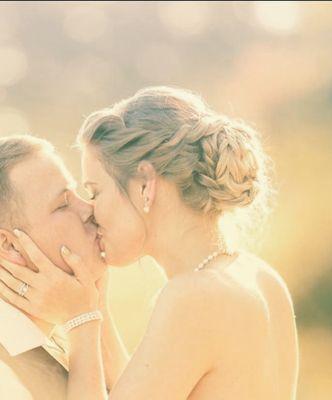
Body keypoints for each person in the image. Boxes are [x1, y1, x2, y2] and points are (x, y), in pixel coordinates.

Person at [0, 86, 299, 399]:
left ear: (145, 185)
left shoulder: (192, 297)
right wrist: (95, 303)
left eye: (95, 192)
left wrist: (81, 321)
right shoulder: (260, 277)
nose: (91, 211)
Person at [0, 135, 128, 398]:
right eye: (62, 205)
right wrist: (82, 320)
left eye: (79, 195)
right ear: (9, 245)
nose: (89, 209)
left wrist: (94, 304)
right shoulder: (6, 376)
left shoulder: (41, 344)